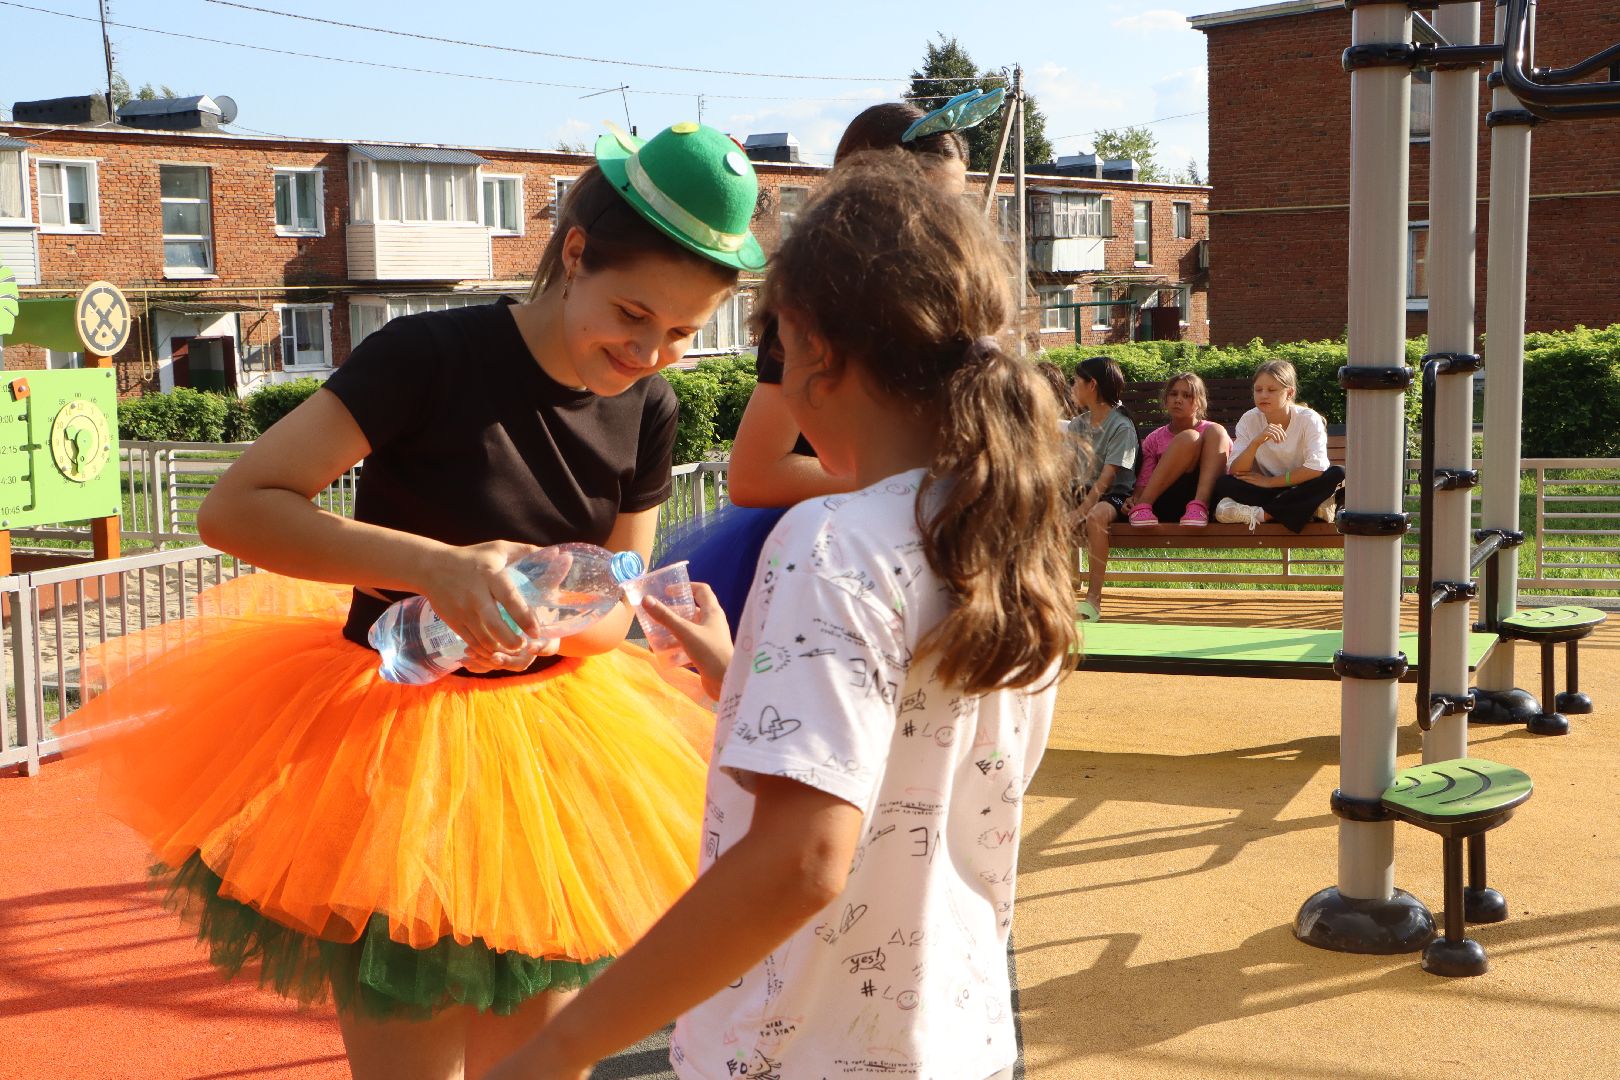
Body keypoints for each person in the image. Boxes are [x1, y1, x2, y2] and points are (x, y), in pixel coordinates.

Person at [62, 122, 764, 1080]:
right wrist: (437, 568)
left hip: (556, 768)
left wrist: (548, 628)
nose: (649, 352)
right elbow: (239, 508)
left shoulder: (649, 407)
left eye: (680, 334)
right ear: (573, 254)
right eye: (632, 313)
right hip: (392, 755)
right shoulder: (426, 355)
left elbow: (617, 596)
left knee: (545, 1065)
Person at [486, 154, 1075, 1080]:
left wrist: (562, 1046)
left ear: (813, 347)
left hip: (801, 1049)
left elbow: (801, 862)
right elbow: (910, 758)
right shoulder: (998, 532)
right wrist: (739, 678)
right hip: (957, 1040)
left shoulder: (832, 538)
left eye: (774, 350)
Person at [659, 97, 994, 634]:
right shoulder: (811, 309)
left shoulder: (962, 305)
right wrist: (907, 481)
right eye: (926, 202)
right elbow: (753, 474)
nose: (944, 225)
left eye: (954, 205)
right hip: (830, 557)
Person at [1213, 359, 1345, 531]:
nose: (1263, 395)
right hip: (1272, 492)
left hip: (1301, 486)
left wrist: (1271, 482)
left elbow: (1316, 468)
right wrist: (1255, 443)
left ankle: (1264, 515)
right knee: (1225, 483)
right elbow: (1236, 470)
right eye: (1258, 390)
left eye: (1271, 390)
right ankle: (1307, 508)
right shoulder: (1249, 419)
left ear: (1289, 393)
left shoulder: (1308, 418)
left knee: (1338, 473)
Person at [1068, 355, 1140, 621]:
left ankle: (1093, 599)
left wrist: (1080, 512)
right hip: (1080, 489)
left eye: (1075, 381)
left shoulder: (1121, 425)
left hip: (1114, 496)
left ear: (1092, 384)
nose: (1072, 386)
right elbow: (1066, 470)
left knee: (1097, 515)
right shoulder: (1077, 424)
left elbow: (1108, 478)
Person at [1125, 371, 1232, 527]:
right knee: (1188, 438)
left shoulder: (1214, 433)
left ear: (1200, 402)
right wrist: (1133, 501)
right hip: (1169, 501)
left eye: (1187, 395)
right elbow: (1144, 482)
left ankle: (1199, 506)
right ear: (1165, 400)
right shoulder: (1154, 438)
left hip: (1210, 505)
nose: (1178, 400)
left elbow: (1227, 472)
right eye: (1173, 394)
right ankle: (1142, 509)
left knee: (1214, 431)